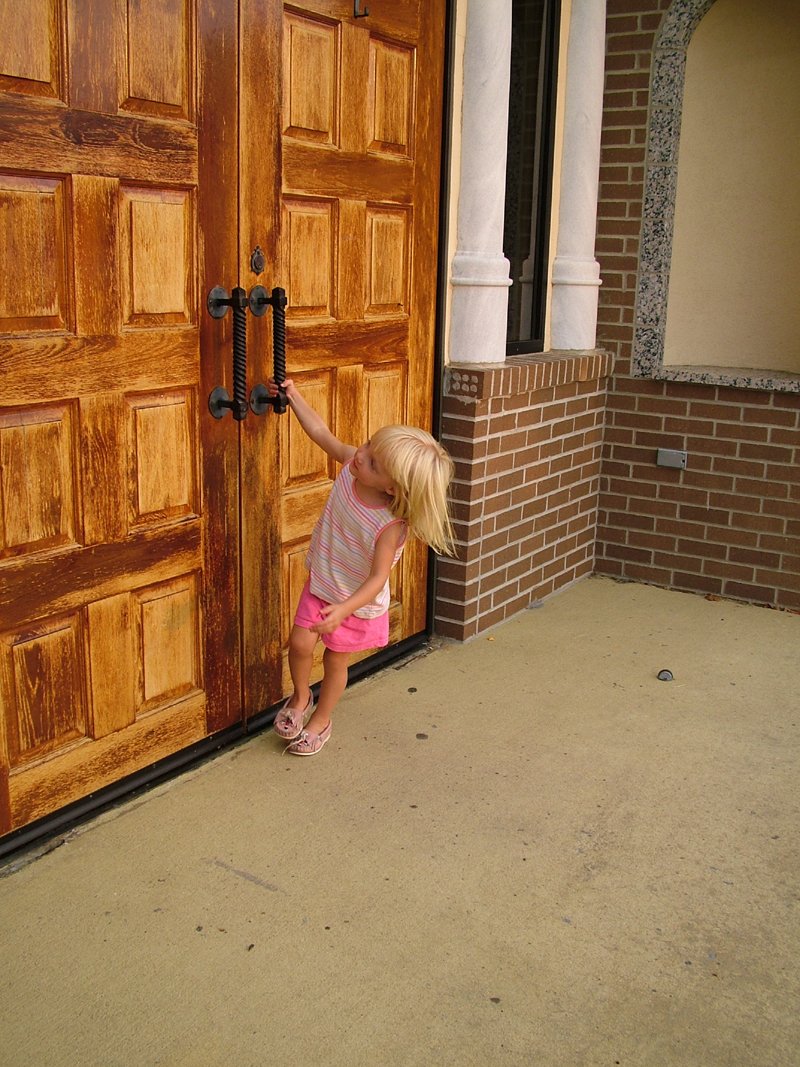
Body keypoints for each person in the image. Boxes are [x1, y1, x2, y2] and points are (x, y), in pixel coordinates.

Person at [267, 377, 455, 756]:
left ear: (391, 488)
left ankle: (322, 719)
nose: (360, 454)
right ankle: (301, 698)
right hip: (323, 581)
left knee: (335, 662)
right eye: (368, 445)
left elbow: (377, 579)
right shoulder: (354, 465)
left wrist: (345, 610)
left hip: (355, 603)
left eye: (372, 461)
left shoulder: (389, 525)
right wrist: (293, 396)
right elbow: (322, 433)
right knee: (301, 643)